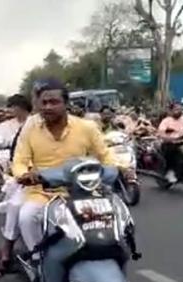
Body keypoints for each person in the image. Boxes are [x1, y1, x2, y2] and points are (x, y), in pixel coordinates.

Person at [11, 79, 122, 268]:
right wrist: (23, 174)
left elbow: (105, 156)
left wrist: (118, 170)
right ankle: (39, 260)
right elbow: (20, 160)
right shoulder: (30, 130)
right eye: (43, 103)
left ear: (66, 104)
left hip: (82, 191)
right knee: (26, 216)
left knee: (117, 214)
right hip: (43, 192)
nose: (47, 107)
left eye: (54, 102)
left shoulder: (86, 127)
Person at [0, 94, 33, 277]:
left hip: (64, 180)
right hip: (32, 178)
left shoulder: (71, 127)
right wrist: (24, 173)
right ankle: (6, 251)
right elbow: (18, 158)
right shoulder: (7, 127)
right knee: (16, 206)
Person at [157, 102, 183, 183]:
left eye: (180, 109)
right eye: (176, 109)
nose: (178, 111)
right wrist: (169, 138)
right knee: (171, 150)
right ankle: (170, 172)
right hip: (169, 143)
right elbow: (161, 133)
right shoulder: (166, 121)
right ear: (171, 110)